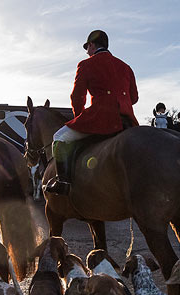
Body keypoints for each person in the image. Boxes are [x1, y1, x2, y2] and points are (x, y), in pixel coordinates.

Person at [45, 30, 139, 195]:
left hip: (101, 118)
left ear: (92, 44)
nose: (87, 52)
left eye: (87, 47)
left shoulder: (86, 64)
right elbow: (134, 98)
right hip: (127, 122)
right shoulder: (126, 67)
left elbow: (77, 97)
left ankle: (64, 182)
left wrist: (80, 118)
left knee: (59, 137)